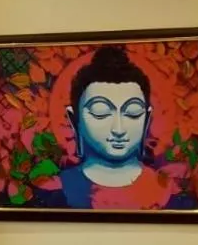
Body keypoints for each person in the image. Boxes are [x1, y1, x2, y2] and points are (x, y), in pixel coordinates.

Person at [50, 45, 178, 209]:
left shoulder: (168, 192)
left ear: (147, 119)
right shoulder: (57, 190)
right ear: (74, 119)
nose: (119, 129)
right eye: (100, 112)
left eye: (132, 112)